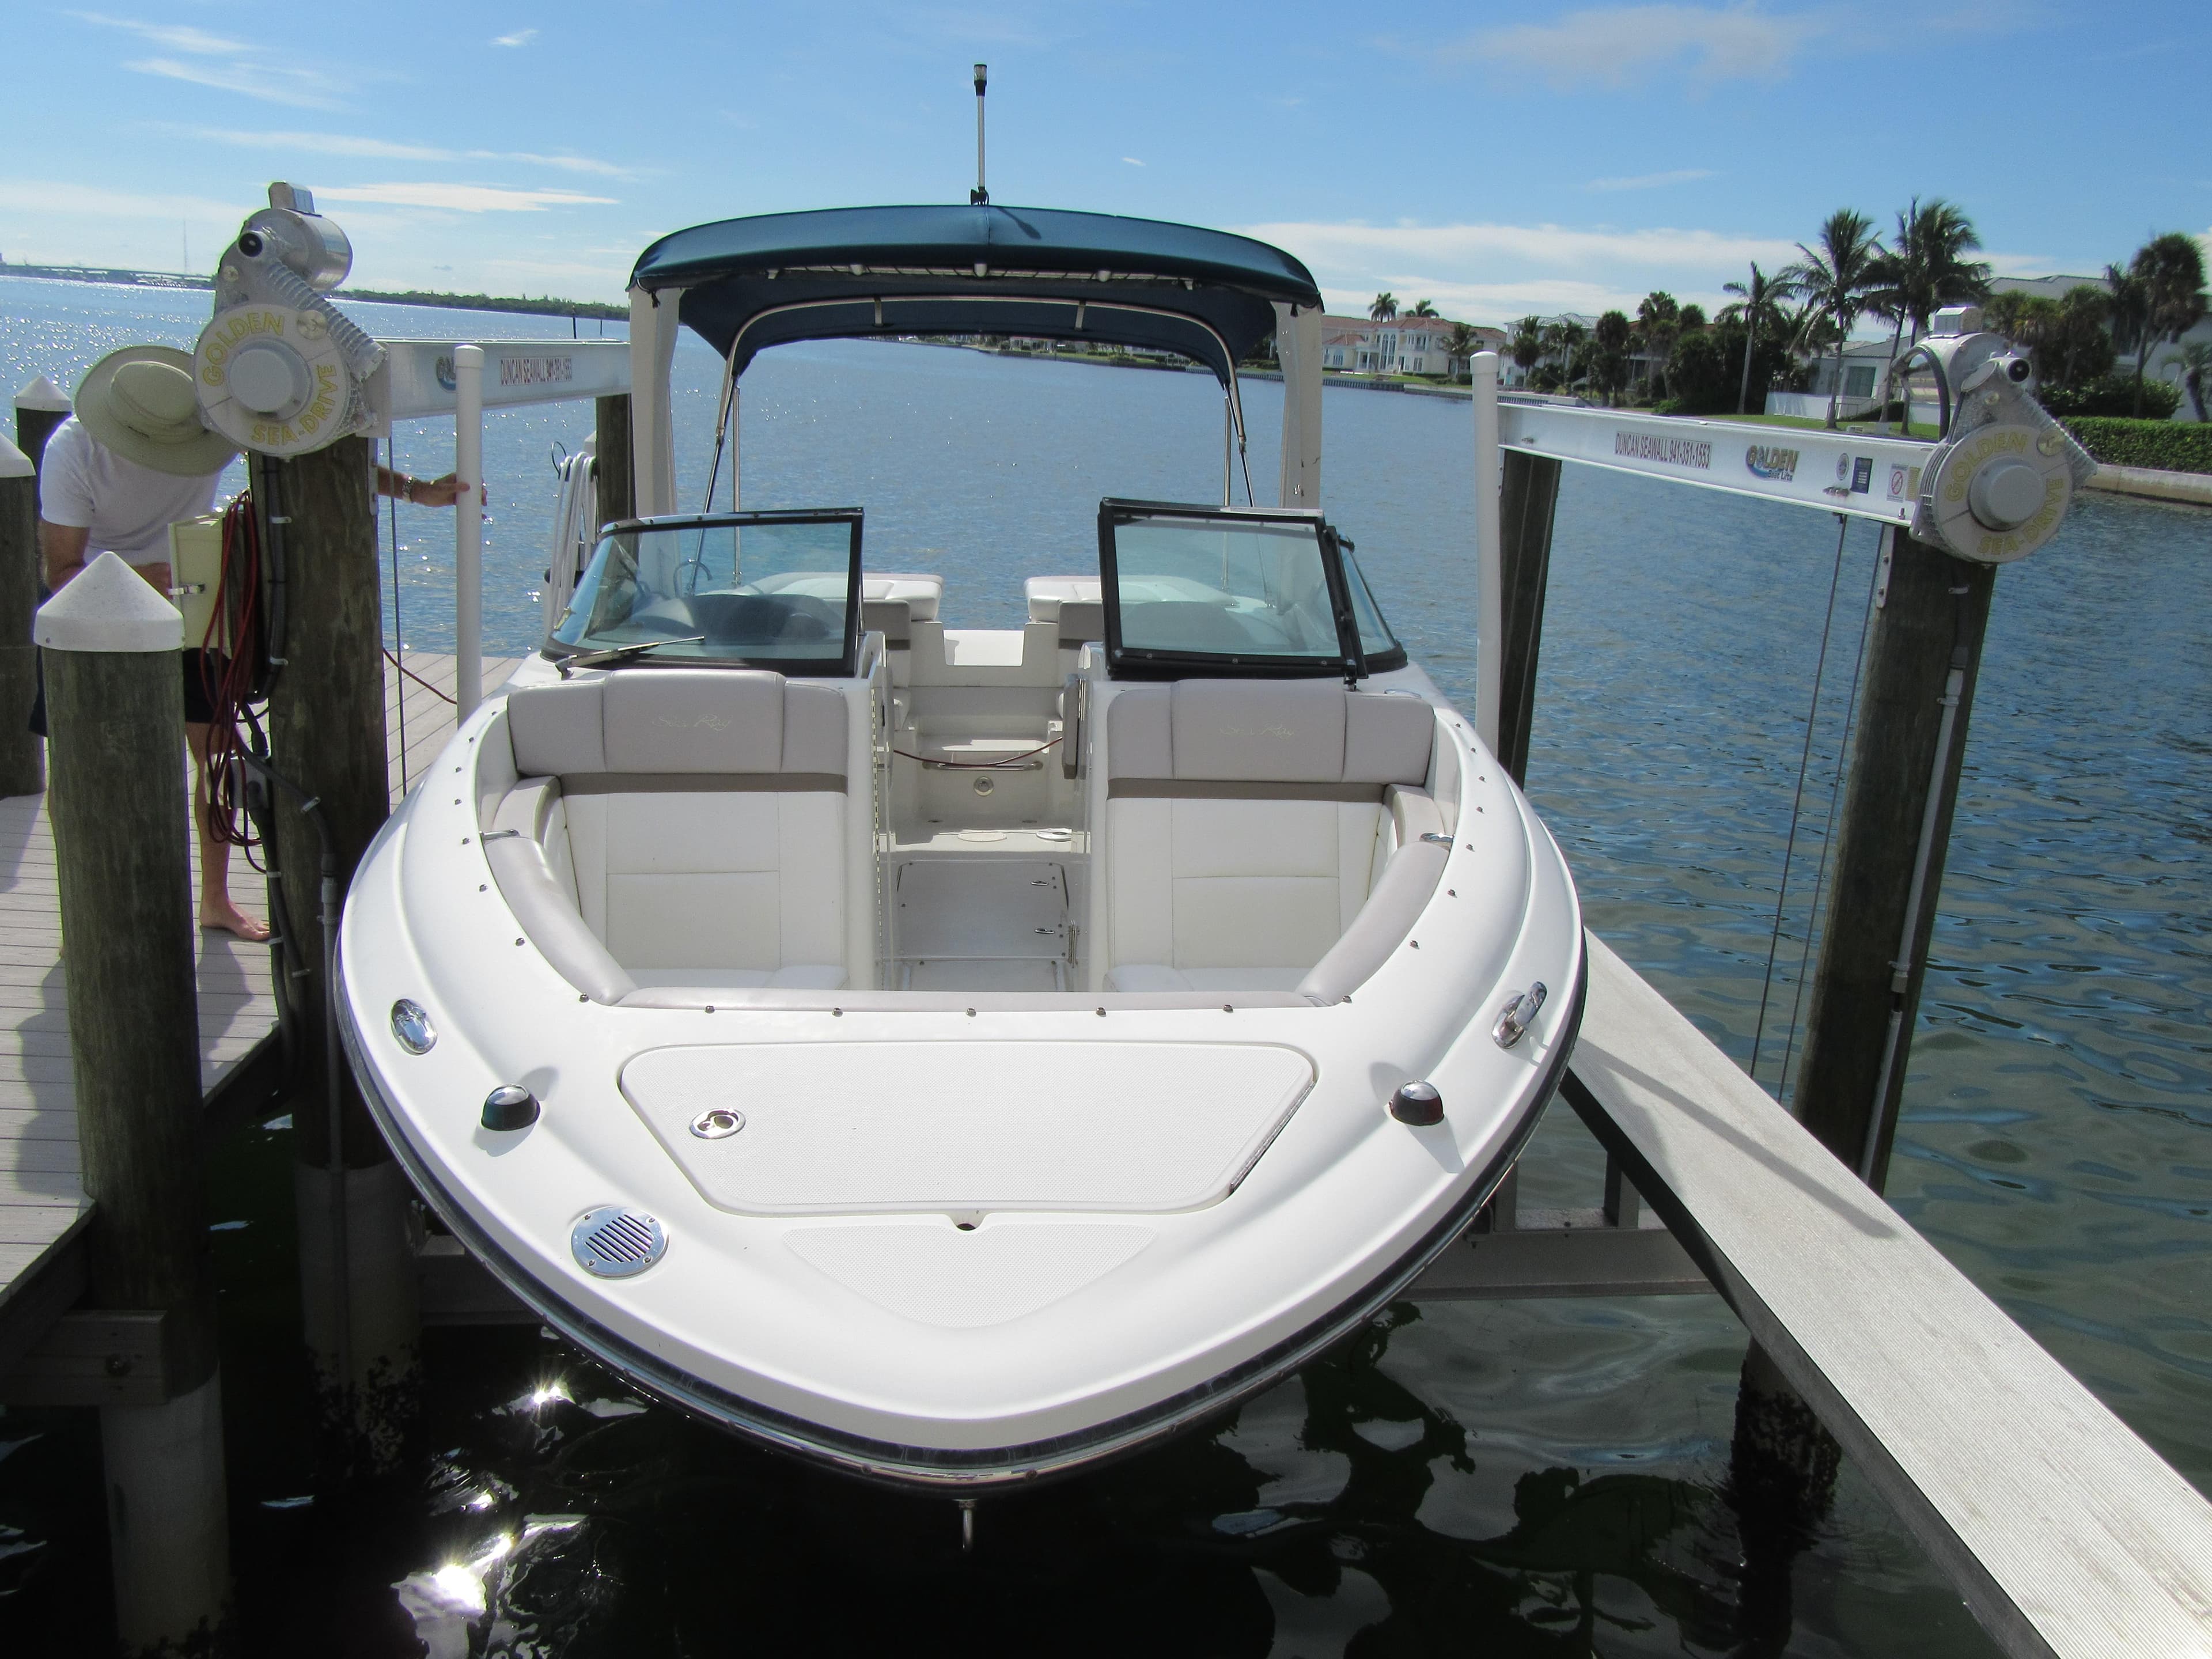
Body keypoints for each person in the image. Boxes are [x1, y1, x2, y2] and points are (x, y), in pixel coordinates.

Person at [36, 344, 466, 939]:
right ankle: (77, 905)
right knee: (75, 762)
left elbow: (315, 457)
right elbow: (59, 570)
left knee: (219, 754)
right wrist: (131, 578)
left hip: (194, 601)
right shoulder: (71, 451)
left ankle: (215, 899)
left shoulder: (208, 419)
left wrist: (417, 491)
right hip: (94, 614)